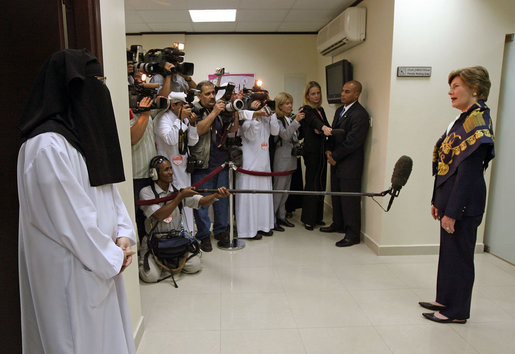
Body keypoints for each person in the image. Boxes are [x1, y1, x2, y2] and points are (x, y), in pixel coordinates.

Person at [17, 49, 136, 353]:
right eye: (95, 81)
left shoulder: (83, 139)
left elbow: (108, 192)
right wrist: (112, 256)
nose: (101, 89)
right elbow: (72, 221)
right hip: (72, 273)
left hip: (102, 264)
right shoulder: (47, 147)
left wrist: (123, 235)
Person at [420, 66, 494, 324]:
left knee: (460, 257)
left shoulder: (477, 122)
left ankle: (457, 311)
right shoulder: (463, 118)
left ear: (474, 88)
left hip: (463, 205)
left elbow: (469, 174)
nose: (450, 92)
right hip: (450, 200)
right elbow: (447, 164)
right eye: (450, 87)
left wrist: (453, 211)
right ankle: (445, 299)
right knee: (449, 254)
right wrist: (438, 202)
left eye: (456, 86)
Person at [139, 156, 230, 279]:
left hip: (176, 239)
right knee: (150, 277)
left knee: (195, 266)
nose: (171, 172)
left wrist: (216, 195)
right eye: (166, 169)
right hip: (155, 241)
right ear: (155, 174)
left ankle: (167, 264)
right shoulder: (146, 192)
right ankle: (160, 263)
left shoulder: (177, 190)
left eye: (171, 168)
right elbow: (160, 215)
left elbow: (201, 201)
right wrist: (179, 197)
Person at [189, 81, 239, 248]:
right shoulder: (194, 110)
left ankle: (221, 230)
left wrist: (234, 111)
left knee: (222, 200)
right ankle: (203, 234)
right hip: (202, 163)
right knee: (202, 201)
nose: (211, 96)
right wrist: (215, 112)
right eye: (207, 94)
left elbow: (232, 129)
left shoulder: (220, 109)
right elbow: (199, 130)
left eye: (212, 93)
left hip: (221, 162)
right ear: (199, 95)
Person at [321, 80, 370, 247]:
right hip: (335, 161)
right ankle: (338, 224)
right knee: (336, 195)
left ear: (357, 94)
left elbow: (353, 141)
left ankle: (352, 234)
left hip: (350, 164)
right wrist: (328, 150)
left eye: (347, 91)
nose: (343, 94)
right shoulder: (340, 111)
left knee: (349, 200)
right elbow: (332, 132)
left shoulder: (360, 114)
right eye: (343, 91)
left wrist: (335, 155)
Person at [154, 92, 199, 241]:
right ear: (174, 105)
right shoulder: (162, 119)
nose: (188, 110)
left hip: (184, 168)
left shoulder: (184, 120)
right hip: (168, 169)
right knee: (173, 202)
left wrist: (191, 124)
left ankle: (189, 235)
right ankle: (176, 237)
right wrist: (180, 120)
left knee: (187, 200)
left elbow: (192, 142)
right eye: (184, 106)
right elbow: (171, 139)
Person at [236, 102, 280, 239]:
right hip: (250, 167)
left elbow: (275, 131)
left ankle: (264, 226)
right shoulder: (246, 120)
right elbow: (251, 135)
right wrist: (255, 115)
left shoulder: (267, 118)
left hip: (263, 165)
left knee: (263, 198)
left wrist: (272, 115)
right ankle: (248, 231)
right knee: (250, 199)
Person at [300, 81, 332, 230]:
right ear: (307, 95)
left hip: (321, 152)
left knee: (320, 183)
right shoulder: (305, 109)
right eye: (313, 93)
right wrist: (322, 127)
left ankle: (318, 217)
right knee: (312, 184)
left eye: (318, 93)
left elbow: (323, 123)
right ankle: (308, 218)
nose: (316, 96)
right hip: (311, 153)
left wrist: (323, 127)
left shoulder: (321, 109)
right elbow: (314, 122)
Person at [271, 92, 304, 231]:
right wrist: (296, 121)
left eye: (291, 103)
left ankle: (282, 216)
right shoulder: (277, 120)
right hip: (281, 160)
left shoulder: (288, 119)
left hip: (290, 160)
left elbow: (293, 137)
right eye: (287, 103)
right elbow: (284, 135)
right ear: (280, 106)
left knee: (286, 191)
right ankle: (272, 220)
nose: (290, 106)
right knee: (278, 191)